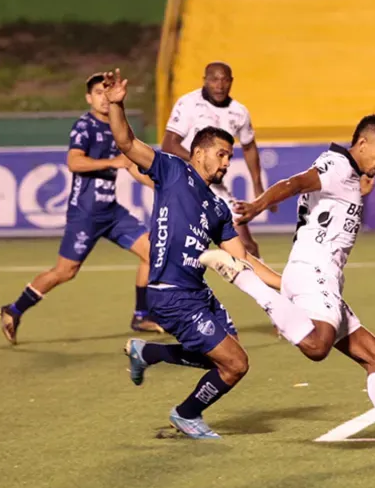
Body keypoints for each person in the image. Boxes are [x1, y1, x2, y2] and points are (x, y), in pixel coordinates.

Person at [198, 114, 375, 458]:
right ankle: (245, 279)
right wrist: (257, 205)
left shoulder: (349, 174)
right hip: (312, 270)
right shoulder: (337, 165)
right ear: (363, 143)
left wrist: (361, 184)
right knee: (317, 346)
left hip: (323, 278)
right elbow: (294, 183)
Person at [107, 69, 281, 439]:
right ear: (198, 152)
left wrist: (288, 285)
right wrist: (117, 105)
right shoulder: (171, 171)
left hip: (198, 294)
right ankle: (186, 414)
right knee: (235, 362)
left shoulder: (218, 208)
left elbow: (245, 260)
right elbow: (126, 143)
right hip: (170, 294)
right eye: (221, 154)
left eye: (229, 157)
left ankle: (148, 354)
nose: (225, 163)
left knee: (230, 364)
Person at [0, 73, 162, 344]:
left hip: (111, 211)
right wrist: (112, 162)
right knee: (65, 272)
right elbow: (75, 163)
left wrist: (159, 186)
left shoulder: (117, 124)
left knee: (152, 253)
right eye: (97, 92)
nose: (103, 97)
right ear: (89, 98)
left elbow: (130, 164)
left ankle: (142, 315)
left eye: (106, 91)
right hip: (85, 213)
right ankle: (14, 310)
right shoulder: (84, 127)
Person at [162, 62, 269, 257]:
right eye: (214, 80)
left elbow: (249, 146)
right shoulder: (188, 104)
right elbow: (169, 144)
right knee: (171, 247)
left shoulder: (239, 112)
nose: (219, 85)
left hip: (213, 187)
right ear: (205, 81)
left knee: (247, 247)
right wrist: (201, 162)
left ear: (231, 82)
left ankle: (267, 288)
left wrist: (257, 184)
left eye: (224, 80)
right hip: (182, 182)